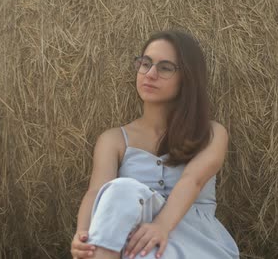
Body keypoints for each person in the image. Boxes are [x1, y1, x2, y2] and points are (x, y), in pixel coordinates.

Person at [70, 30, 240, 259]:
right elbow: (95, 193)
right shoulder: (114, 140)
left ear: (187, 77)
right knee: (120, 193)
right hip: (132, 241)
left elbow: (193, 180)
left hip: (197, 243)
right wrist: (83, 233)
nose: (150, 74)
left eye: (165, 67)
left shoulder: (211, 133)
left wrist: (161, 226)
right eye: (145, 63)